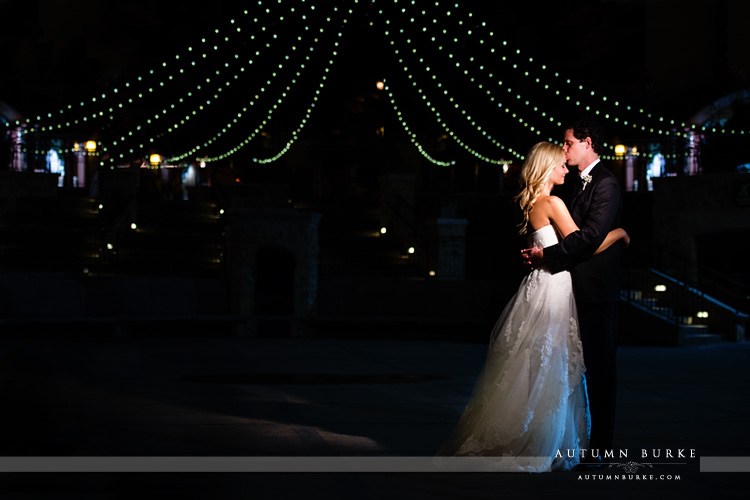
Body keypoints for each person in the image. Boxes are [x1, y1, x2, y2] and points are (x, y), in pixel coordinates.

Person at [436, 142, 628, 472]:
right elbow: (584, 245)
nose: (565, 169)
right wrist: (620, 233)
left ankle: (537, 433)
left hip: (539, 285)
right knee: (552, 361)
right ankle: (542, 440)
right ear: (546, 167)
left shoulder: (531, 203)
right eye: (560, 165)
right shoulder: (552, 202)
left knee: (536, 361)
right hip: (554, 288)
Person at [521, 117, 623, 463]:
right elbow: (575, 238)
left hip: (595, 291)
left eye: (568, 143)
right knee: (568, 368)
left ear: (588, 142)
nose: (564, 150)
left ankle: (601, 448)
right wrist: (621, 234)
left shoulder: (605, 184)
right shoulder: (571, 187)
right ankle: (571, 439)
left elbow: (589, 237)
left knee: (599, 370)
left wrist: (545, 254)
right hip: (567, 288)